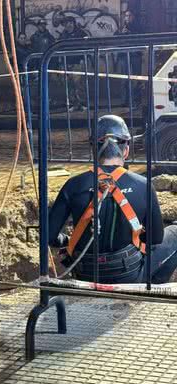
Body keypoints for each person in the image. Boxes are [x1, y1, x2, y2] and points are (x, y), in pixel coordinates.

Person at [49, 115, 177, 284]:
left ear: (94, 148)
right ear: (126, 150)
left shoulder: (73, 185)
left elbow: (49, 235)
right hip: (128, 274)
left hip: (85, 273)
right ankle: (152, 287)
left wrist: (66, 240)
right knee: (174, 234)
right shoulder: (142, 185)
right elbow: (155, 238)